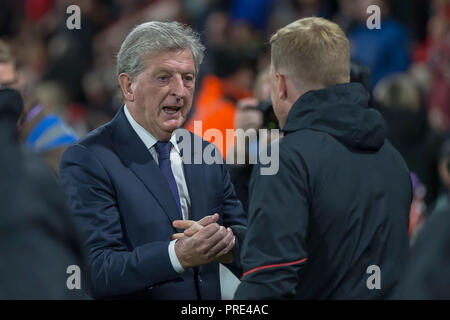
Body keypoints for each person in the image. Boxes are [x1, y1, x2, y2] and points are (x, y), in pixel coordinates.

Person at [59, 21, 247, 299]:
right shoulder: (89, 159)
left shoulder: (205, 152)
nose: (180, 91)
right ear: (128, 86)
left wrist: (227, 243)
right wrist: (178, 255)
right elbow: (97, 271)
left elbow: (246, 243)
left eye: (188, 78)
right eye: (164, 77)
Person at [234, 17, 412, 299]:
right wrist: (235, 244)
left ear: (280, 85)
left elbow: (268, 283)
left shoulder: (284, 159)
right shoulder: (392, 158)